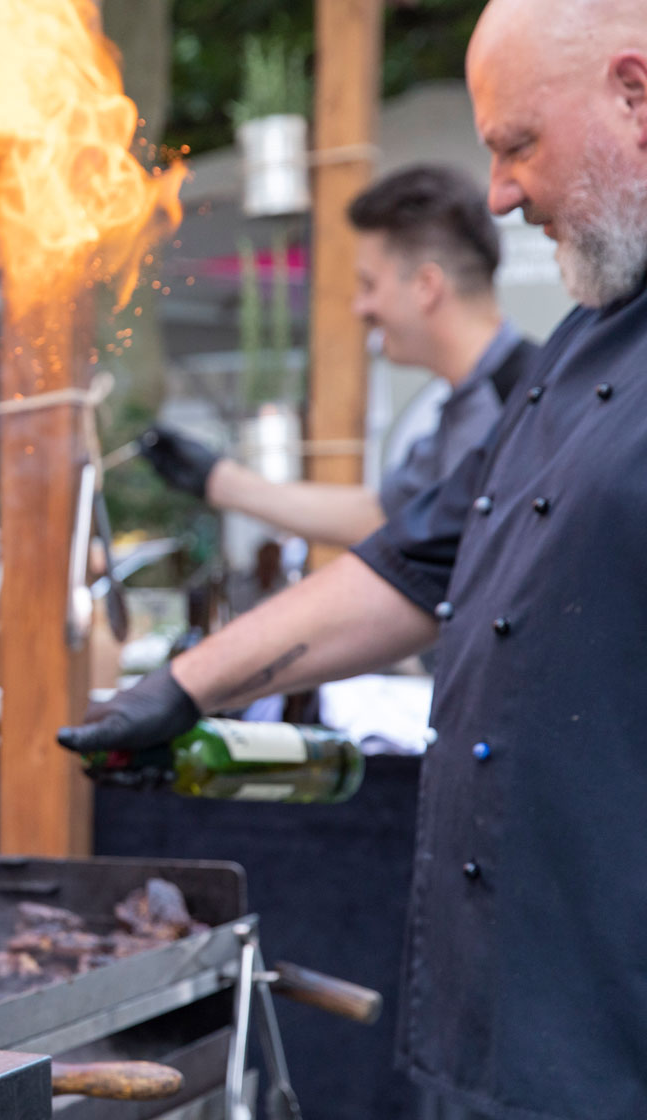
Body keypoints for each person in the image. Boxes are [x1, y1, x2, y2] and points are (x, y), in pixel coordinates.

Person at [59, 2, 647, 1115]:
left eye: (517, 143)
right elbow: (421, 556)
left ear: (636, 92)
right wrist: (182, 688)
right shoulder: (578, 345)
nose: (501, 193)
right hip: (495, 1019)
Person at [141, 165, 539, 547]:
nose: (359, 308)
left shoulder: (525, 407)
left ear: (426, 287)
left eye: (369, 284)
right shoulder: (471, 402)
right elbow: (383, 515)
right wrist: (217, 479)